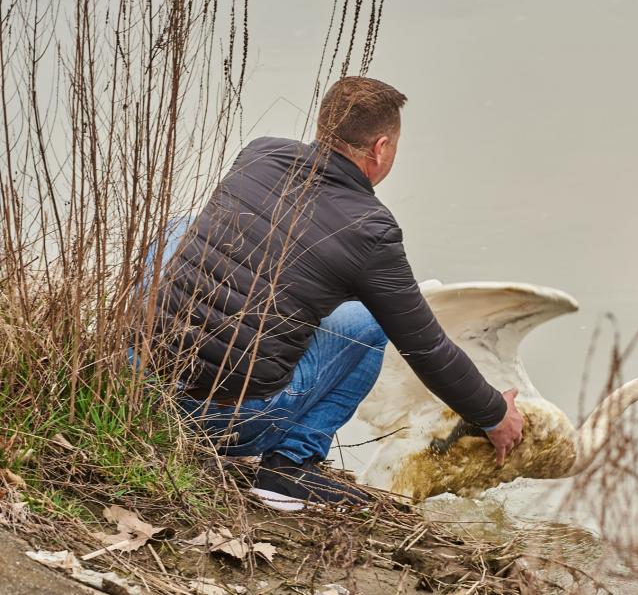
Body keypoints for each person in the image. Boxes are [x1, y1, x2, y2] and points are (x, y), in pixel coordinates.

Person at [148, 77, 524, 508]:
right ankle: (289, 468)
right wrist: (494, 414)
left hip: (140, 385)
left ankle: (138, 384)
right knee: (369, 319)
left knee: (178, 228)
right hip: (222, 420)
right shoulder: (370, 230)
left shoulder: (260, 153)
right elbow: (428, 349)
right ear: (381, 148)